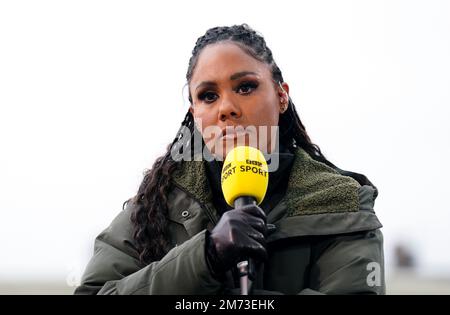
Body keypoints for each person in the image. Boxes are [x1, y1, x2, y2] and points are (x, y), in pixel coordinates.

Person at [74, 24, 385, 295]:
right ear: (194, 111)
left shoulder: (342, 202)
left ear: (281, 95)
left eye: (245, 87)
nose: (226, 108)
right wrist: (206, 256)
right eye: (208, 95)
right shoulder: (156, 203)